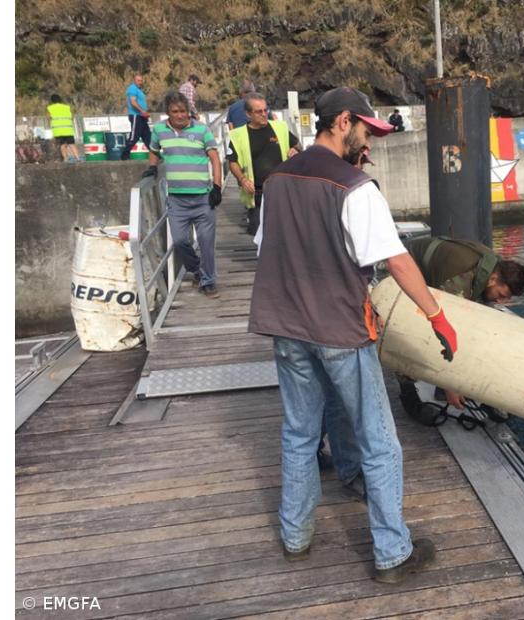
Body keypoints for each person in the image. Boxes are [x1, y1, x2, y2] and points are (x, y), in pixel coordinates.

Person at [249, 86, 458, 584]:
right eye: (366, 129)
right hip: (340, 330)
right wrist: (436, 317)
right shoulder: (353, 186)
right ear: (342, 121)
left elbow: (265, 249)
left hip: (285, 326)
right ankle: (391, 554)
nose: (369, 142)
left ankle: (295, 537)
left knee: (300, 433)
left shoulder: (276, 179)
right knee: (379, 442)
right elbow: (397, 260)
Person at [397, 236, 524, 415]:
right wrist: (449, 385)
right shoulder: (461, 280)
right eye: (501, 294)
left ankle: (476, 391)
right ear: (494, 279)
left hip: (436, 270)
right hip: (404, 266)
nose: (500, 300)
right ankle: (409, 397)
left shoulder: (492, 269)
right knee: (410, 332)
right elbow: (441, 332)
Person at [145, 92, 224, 298]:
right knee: (180, 242)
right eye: (175, 112)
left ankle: (208, 281)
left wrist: (216, 187)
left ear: (189, 111)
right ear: (167, 113)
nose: (180, 115)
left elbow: (215, 158)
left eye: (183, 111)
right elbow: (153, 150)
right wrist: (153, 168)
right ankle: (197, 269)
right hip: (177, 200)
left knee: (206, 243)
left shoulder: (201, 130)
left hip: (202, 198)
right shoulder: (160, 130)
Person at [226, 93, 300, 235]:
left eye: (266, 110)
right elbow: (232, 162)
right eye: (259, 112)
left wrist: (295, 150)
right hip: (256, 193)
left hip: (282, 191)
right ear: (248, 114)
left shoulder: (280, 128)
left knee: (285, 233)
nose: (264, 114)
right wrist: (242, 179)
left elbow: (299, 146)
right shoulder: (238, 135)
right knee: (257, 234)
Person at [121, 73, 151, 160]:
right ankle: (124, 155)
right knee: (134, 136)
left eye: (141, 80)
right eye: (138, 80)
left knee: (148, 137)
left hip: (142, 117)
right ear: (134, 80)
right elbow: (133, 102)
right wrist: (142, 111)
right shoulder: (132, 88)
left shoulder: (139, 90)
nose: (140, 82)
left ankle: (156, 155)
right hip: (136, 116)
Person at [46, 94, 80, 163]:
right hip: (68, 130)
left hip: (58, 131)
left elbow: (48, 118)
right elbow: (71, 117)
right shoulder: (66, 107)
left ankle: (66, 159)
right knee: (72, 144)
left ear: (52, 101)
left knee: (62, 145)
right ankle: (78, 158)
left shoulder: (50, 108)